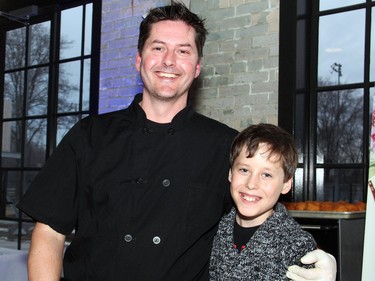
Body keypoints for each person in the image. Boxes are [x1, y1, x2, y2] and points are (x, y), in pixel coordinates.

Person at [17, 2, 336, 281]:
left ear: (197, 67)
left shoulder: (225, 145)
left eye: (183, 51)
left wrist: (306, 256)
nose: (169, 61)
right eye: (158, 48)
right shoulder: (88, 135)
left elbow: (258, 216)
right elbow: (49, 234)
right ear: (139, 59)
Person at [209, 123, 320, 280]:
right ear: (230, 174)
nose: (251, 184)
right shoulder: (214, 229)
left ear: (286, 184)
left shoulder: (297, 245)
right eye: (244, 170)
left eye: (266, 175)